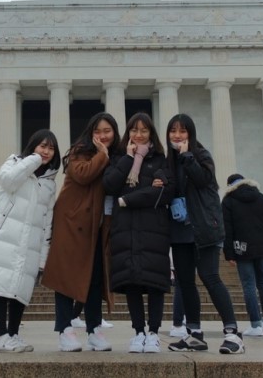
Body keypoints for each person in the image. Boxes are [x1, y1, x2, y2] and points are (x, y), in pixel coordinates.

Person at [0, 129, 61, 353]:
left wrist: (43, 255)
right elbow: (8, 181)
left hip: (30, 242)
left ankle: (13, 335)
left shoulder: (49, 182)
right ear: (33, 146)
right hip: (7, 236)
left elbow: (47, 220)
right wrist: (33, 160)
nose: (46, 152)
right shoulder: (14, 163)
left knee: (21, 290)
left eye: (51, 148)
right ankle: (0, 336)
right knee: (1, 286)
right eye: (42, 146)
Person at [165, 113, 245, 355]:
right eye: (173, 131)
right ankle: (194, 334)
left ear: (191, 134)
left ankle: (233, 333)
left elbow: (202, 180)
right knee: (185, 282)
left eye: (183, 131)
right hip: (180, 228)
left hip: (204, 227)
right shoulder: (169, 162)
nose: (177, 135)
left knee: (210, 277)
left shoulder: (200, 156)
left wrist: (187, 156)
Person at [42, 112, 119, 353]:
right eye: (98, 131)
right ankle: (65, 329)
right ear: (90, 133)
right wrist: (102, 154)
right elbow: (84, 175)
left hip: (97, 228)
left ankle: (94, 329)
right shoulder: (79, 152)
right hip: (71, 223)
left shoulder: (114, 156)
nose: (103, 136)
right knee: (66, 278)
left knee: (95, 279)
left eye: (107, 131)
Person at [103, 112, 174, 354]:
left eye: (144, 130)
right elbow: (109, 185)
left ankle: (153, 333)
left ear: (151, 133)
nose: (139, 135)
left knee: (154, 284)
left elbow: (166, 192)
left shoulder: (161, 160)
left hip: (154, 229)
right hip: (125, 229)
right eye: (134, 130)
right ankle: (138, 332)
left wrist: (127, 199)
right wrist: (128, 159)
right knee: (131, 283)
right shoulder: (119, 159)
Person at [222, 173, 263, 337]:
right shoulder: (261, 198)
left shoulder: (228, 200)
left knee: (249, 286)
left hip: (242, 247)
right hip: (262, 247)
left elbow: (227, 229)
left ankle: (255, 324)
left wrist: (229, 253)